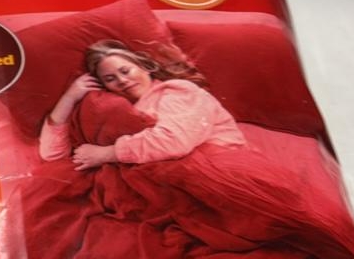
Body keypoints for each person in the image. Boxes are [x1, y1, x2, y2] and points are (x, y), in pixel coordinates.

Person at [38, 39, 245, 169]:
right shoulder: (117, 109)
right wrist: (69, 97)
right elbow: (52, 155)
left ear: (144, 66)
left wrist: (106, 153)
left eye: (125, 71)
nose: (122, 80)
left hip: (216, 166)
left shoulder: (179, 90)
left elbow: (174, 141)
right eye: (110, 79)